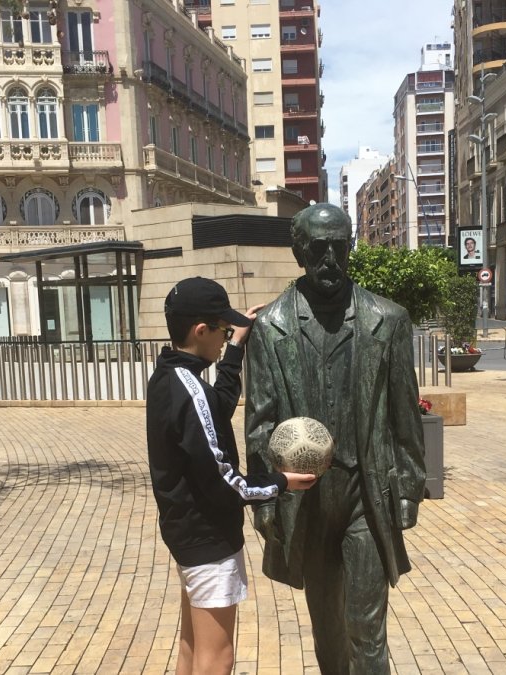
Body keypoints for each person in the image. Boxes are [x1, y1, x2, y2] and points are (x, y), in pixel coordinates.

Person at [245, 204, 426, 674]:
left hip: (365, 494)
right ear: (298, 251)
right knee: (326, 628)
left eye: (339, 246)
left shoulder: (387, 321)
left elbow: (405, 414)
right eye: (317, 248)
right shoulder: (271, 328)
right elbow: (260, 422)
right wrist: (265, 501)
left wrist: (408, 488)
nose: (329, 258)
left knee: (365, 625)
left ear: (350, 247)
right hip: (306, 501)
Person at [147, 276, 317, 675]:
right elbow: (228, 482)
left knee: (192, 646)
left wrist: (236, 348)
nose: (226, 336)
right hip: (208, 541)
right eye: (223, 330)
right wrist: (282, 483)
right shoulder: (189, 390)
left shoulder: (169, 377)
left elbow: (215, 408)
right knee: (217, 656)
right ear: (200, 330)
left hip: (186, 532)